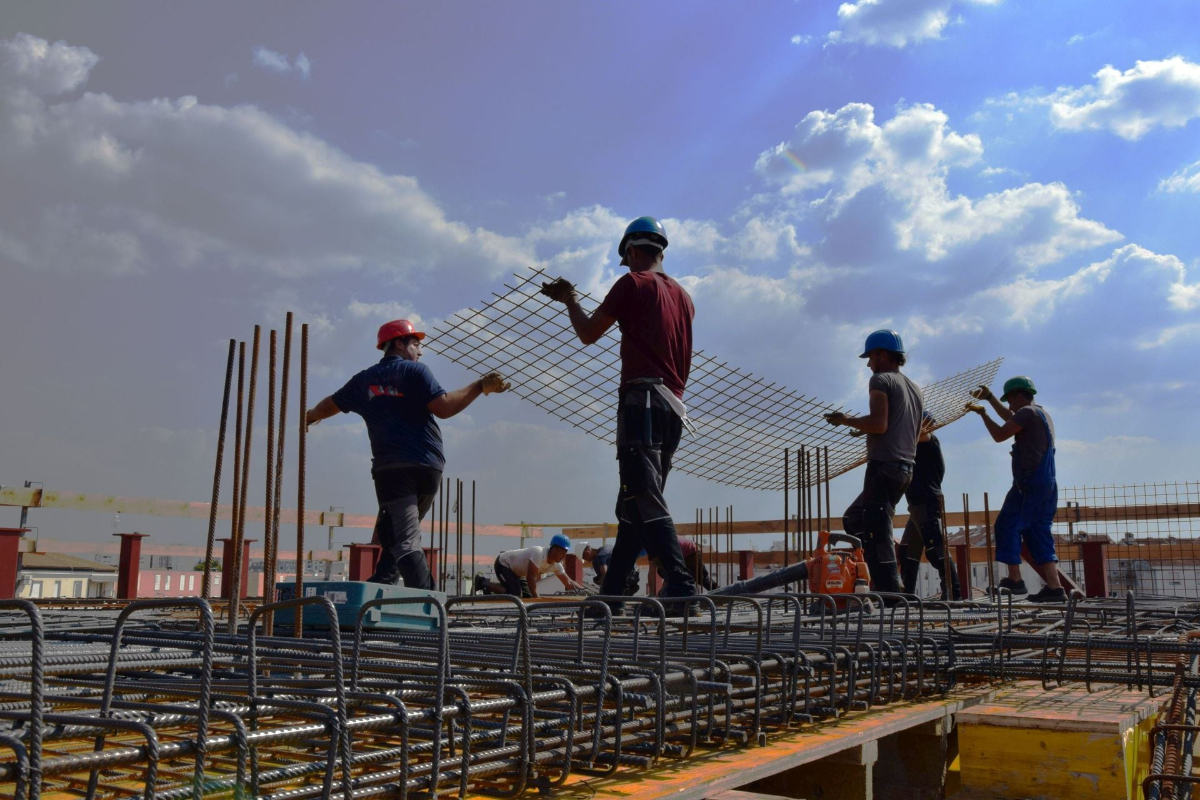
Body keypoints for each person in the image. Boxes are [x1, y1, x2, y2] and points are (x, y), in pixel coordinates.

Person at [540, 216, 699, 607]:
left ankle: (681, 585)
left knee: (643, 494)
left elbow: (588, 333)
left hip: (641, 402)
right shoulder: (684, 297)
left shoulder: (633, 283)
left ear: (631, 250)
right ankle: (610, 596)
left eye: (626, 258)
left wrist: (570, 299)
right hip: (672, 408)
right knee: (631, 506)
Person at [305, 319, 510, 589]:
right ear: (398, 344)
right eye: (415, 343)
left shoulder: (363, 380)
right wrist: (479, 386)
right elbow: (444, 407)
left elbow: (328, 406)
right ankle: (384, 577)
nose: (420, 351)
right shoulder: (415, 372)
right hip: (429, 468)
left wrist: (308, 417)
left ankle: (428, 598)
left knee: (402, 537)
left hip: (393, 469)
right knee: (395, 528)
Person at [825, 329, 923, 594]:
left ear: (883, 354)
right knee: (856, 519)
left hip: (884, 466)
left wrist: (845, 420)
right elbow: (908, 429)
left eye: (870, 357)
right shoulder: (914, 388)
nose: (868, 364)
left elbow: (879, 424)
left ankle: (890, 590)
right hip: (905, 468)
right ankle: (879, 577)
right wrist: (864, 428)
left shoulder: (880, 380)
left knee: (876, 528)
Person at [966, 376, 1065, 603]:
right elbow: (1010, 417)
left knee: (1007, 524)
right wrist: (990, 398)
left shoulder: (1027, 413)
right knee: (1038, 530)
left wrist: (983, 414)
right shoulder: (1040, 414)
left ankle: (1015, 581)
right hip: (1046, 484)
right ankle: (1055, 587)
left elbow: (1000, 435)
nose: (1009, 406)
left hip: (1028, 484)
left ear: (1018, 395)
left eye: (1010, 400)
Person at [899, 412, 961, 599]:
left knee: (936, 549)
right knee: (907, 550)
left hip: (927, 502)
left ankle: (953, 592)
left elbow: (922, 433)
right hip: (917, 506)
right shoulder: (913, 446)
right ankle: (907, 594)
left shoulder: (929, 440)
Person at [476, 534, 585, 598]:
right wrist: (537, 599)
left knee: (527, 596)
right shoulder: (539, 554)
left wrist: (584, 591)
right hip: (504, 564)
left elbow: (569, 583)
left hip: (517, 572)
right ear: (554, 549)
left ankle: (491, 586)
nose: (564, 556)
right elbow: (531, 577)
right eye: (562, 552)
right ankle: (483, 582)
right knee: (515, 594)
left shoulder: (557, 565)